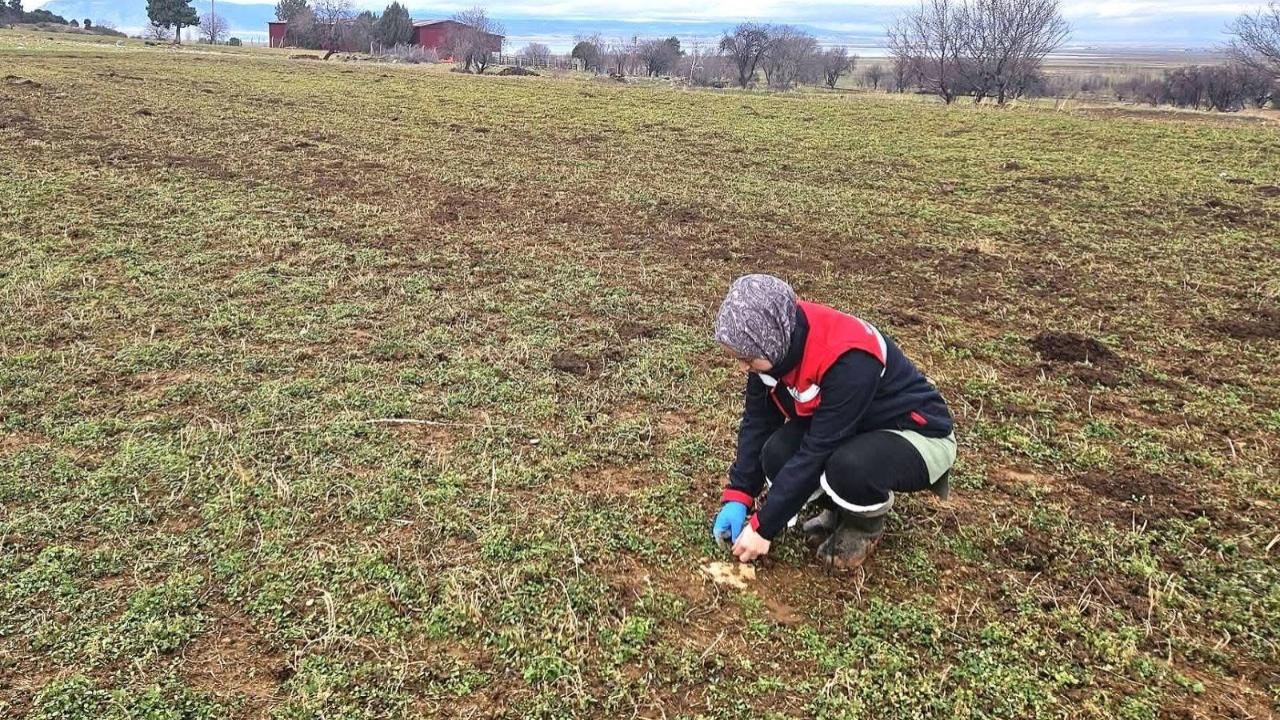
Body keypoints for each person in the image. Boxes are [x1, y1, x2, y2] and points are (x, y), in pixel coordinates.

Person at [711, 274, 956, 570]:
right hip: (853, 426)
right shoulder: (772, 344)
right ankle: (838, 511)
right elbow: (757, 424)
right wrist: (740, 494)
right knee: (776, 453)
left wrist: (764, 527)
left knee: (848, 466)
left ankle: (864, 526)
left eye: (747, 358)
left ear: (770, 340)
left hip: (915, 433)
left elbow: (819, 449)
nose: (742, 366)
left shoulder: (849, 358)